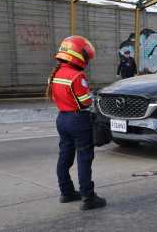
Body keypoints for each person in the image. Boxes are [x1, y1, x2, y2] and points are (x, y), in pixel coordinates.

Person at [46, 35, 106, 211]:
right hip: (77, 120)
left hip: (62, 119)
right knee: (84, 158)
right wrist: (91, 95)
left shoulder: (55, 74)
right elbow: (85, 102)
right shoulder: (77, 76)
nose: (87, 59)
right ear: (77, 55)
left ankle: (66, 192)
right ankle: (88, 197)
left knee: (65, 156)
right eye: (85, 55)